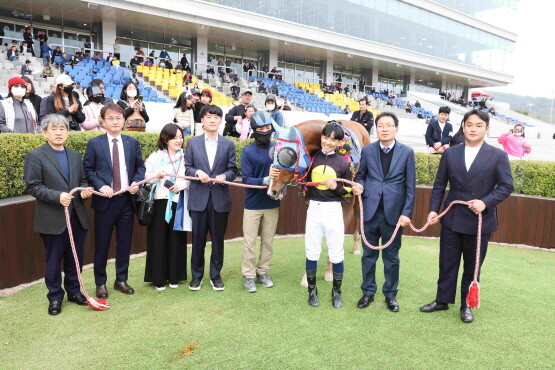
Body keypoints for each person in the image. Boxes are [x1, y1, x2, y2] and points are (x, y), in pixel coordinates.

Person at [420, 109, 514, 323]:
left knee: (472, 266)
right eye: (469, 124)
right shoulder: (450, 153)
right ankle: (442, 300)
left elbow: (506, 186)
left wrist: (485, 202)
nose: (473, 128)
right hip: (452, 218)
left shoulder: (498, 155)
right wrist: (434, 210)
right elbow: (439, 185)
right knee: (447, 262)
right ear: (463, 126)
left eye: (478, 125)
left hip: (480, 221)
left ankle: (466, 305)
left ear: (487, 129)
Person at [24, 114, 93, 315]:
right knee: (53, 261)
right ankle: (55, 297)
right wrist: (57, 196)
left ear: (68, 132)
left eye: (62, 128)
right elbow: (33, 186)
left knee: (75, 258)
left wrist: (85, 191)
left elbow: (82, 181)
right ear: (44, 132)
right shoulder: (36, 156)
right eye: (53, 129)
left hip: (76, 217)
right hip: (52, 219)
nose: (58, 132)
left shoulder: (74, 155)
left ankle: (74, 291)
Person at [83, 103, 146, 299]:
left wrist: (137, 182)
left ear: (124, 120)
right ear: (103, 121)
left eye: (118, 118)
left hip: (127, 200)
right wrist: (100, 185)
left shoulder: (131, 142)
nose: (115, 121)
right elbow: (88, 170)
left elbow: (140, 167)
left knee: (124, 243)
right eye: (110, 118)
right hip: (105, 202)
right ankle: (100, 283)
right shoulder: (95, 144)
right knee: (101, 244)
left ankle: (121, 279)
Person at [355, 112, 416, 312]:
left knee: (391, 256)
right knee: (368, 255)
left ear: (396, 129)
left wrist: (407, 212)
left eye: (389, 125)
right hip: (369, 211)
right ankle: (368, 292)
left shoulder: (407, 152)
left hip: (394, 214)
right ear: (376, 128)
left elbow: (410, 186)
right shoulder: (368, 150)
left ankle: (390, 295)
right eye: (381, 125)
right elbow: (361, 175)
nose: (384, 129)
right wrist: (359, 185)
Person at [304, 122, 359, 308]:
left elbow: (349, 192)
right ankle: (312, 291)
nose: (328, 142)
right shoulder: (311, 159)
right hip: (314, 209)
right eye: (325, 138)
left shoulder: (343, 164)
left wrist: (336, 187)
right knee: (312, 251)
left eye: (333, 140)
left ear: (339, 142)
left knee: (337, 253)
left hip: (333, 210)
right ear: (321, 137)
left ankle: (337, 293)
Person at [184, 105, 237, 291]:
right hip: (198, 199)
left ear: (220, 120)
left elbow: (232, 170)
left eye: (216, 117)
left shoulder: (228, 144)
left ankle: (216, 275)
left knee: (218, 240)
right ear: (202, 121)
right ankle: (196, 276)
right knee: (197, 240)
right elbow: (187, 167)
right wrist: (197, 172)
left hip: (220, 200)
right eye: (208, 117)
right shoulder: (192, 143)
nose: (212, 120)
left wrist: (225, 177)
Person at [144, 124, 190, 290]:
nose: (179, 140)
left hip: (178, 203)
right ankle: (158, 278)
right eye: (174, 137)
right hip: (159, 202)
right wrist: (156, 175)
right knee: (158, 239)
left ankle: (175, 276)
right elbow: (146, 178)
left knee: (176, 239)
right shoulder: (155, 157)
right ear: (165, 139)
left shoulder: (186, 157)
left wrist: (182, 185)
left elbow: (191, 177)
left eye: (180, 137)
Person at [240, 111, 280, 293]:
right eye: (261, 129)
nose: (265, 131)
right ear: (254, 130)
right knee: (249, 242)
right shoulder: (248, 152)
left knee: (268, 241)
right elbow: (246, 179)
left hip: (272, 203)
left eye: (268, 128)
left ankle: (263, 272)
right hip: (252, 205)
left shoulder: (278, 148)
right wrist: (266, 179)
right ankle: (248, 275)